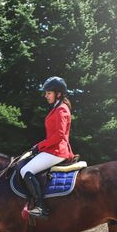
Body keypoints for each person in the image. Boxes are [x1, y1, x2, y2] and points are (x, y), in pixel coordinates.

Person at [20, 76, 74, 218]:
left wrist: (40, 146)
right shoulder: (56, 109)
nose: (46, 96)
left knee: (26, 170)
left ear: (58, 94)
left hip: (57, 151)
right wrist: (39, 146)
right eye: (46, 93)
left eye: (48, 93)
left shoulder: (61, 110)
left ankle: (41, 207)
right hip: (51, 149)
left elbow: (59, 136)